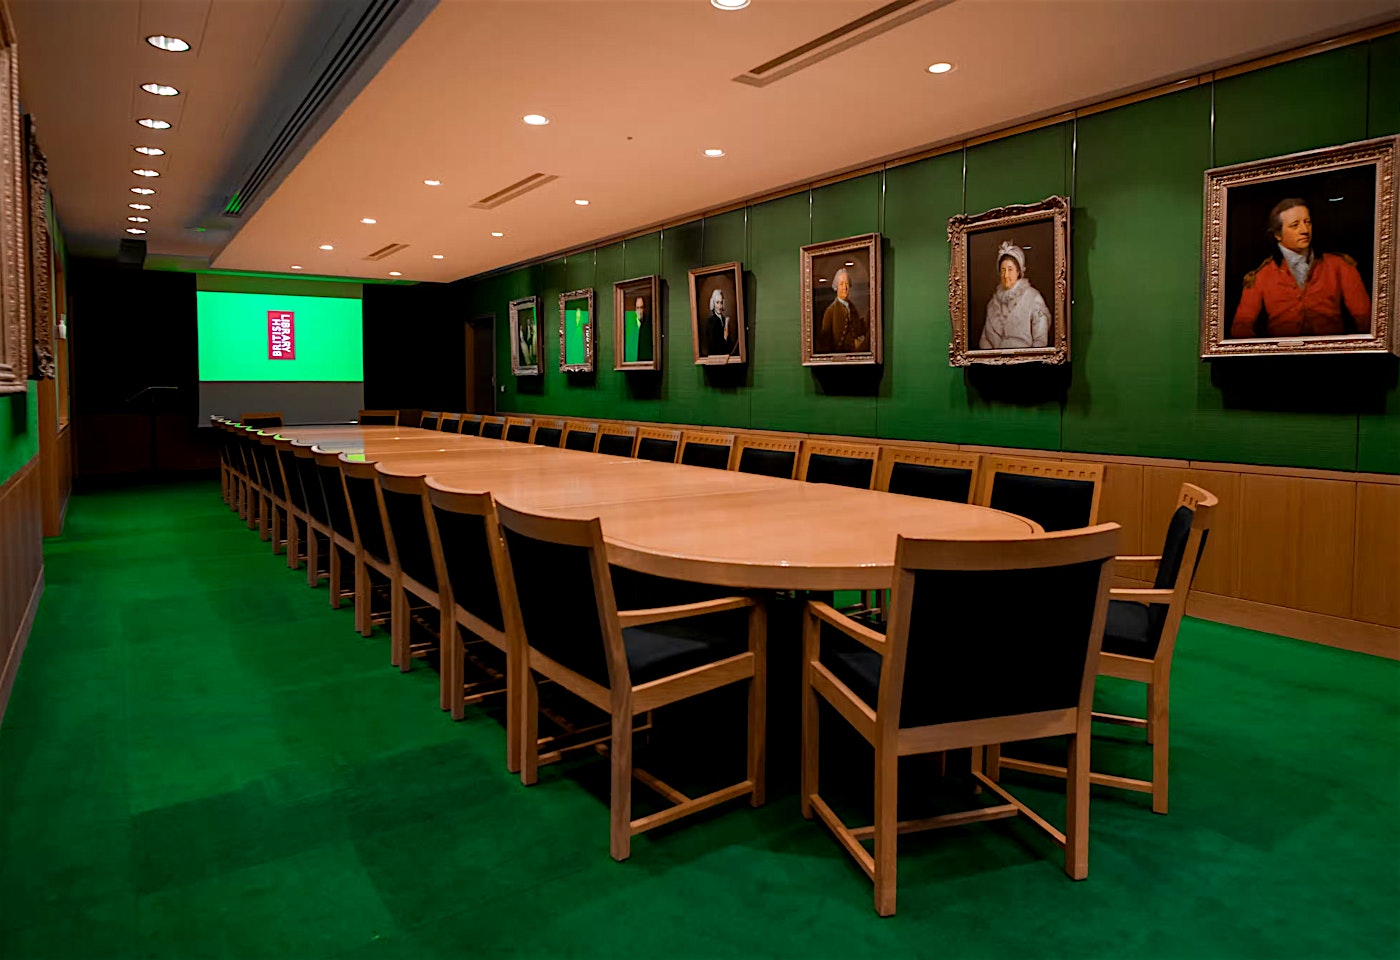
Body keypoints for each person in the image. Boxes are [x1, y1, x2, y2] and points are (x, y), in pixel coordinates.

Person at [1230, 198, 1371, 338]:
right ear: (1278, 235)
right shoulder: (1261, 275)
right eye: (1295, 225)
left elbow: (1365, 317)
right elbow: (1241, 325)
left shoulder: (1340, 266)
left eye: (1307, 222)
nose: (1304, 230)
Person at [979, 241, 1049, 350]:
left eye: (1010, 270)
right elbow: (985, 340)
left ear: (1018, 272)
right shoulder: (992, 304)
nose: (1006, 275)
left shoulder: (1033, 297)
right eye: (1003, 270)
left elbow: (1040, 338)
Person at [815, 268, 867, 354]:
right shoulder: (830, 311)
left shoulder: (853, 309)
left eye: (846, 284)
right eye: (841, 284)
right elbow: (825, 344)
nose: (845, 287)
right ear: (836, 287)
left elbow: (859, 331)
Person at [702, 287, 738, 358]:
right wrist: (725, 337)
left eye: (721, 302)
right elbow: (713, 347)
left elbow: (729, 346)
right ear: (713, 304)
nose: (720, 306)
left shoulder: (725, 320)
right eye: (717, 302)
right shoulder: (710, 322)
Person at [630, 296, 653, 362]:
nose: (639, 310)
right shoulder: (630, 323)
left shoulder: (649, 324)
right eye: (637, 308)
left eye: (641, 307)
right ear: (635, 309)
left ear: (644, 309)